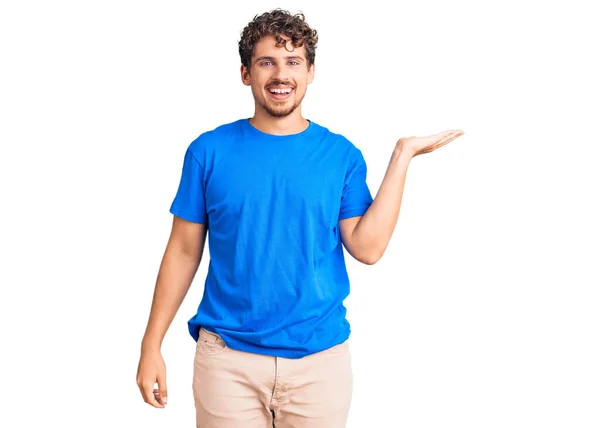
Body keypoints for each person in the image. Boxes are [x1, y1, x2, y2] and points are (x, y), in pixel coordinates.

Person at [136, 8, 464, 428]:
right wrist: (151, 345)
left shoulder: (341, 155)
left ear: (310, 72)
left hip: (319, 363)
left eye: (293, 62)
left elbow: (367, 248)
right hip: (227, 360)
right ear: (245, 73)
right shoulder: (208, 151)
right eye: (266, 62)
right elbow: (183, 251)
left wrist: (402, 157)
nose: (280, 74)